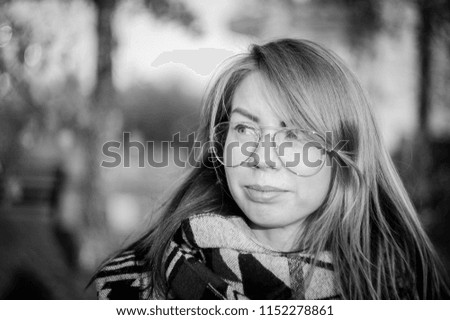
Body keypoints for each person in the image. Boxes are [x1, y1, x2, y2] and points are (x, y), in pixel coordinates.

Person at [94, 38, 450, 299]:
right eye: (245, 129)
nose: (262, 157)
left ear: (344, 152)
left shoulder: (403, 293)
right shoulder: (128, 286)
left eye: (294, 133)